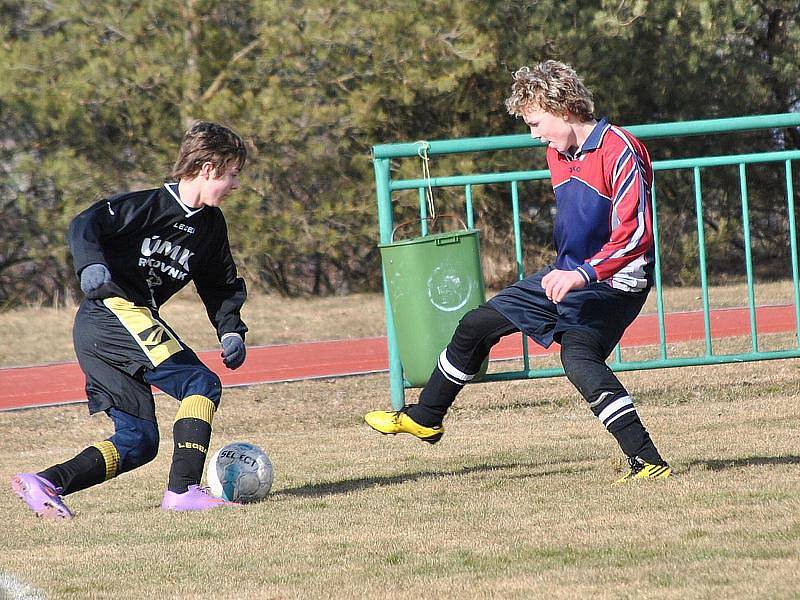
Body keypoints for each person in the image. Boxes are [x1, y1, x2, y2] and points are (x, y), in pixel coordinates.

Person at [365, 60, 671, 483]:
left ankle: (647, 461)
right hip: (565, 275)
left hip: (615, 282)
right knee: (476, 324)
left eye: (536, 122)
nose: (534, 134)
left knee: (578, 359)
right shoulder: (557, 152)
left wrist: (582, 275)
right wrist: (570, 271)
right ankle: (426, 416)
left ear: (563, 108)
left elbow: (636, 233)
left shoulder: (620, 148)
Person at [11, 121, 250, 518]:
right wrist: (90, 265)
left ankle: (46, 482)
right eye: (232, 174)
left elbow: (220, 282)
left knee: (139, 441)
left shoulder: (210, 226)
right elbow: (84, 224)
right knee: (200, 383)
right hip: (110, 313)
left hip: (110, 326)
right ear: (208, 168)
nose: (235, 185)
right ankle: (183, 492)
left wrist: (230, 330)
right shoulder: (148, 206)